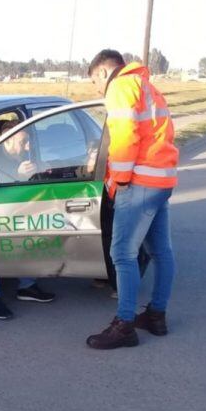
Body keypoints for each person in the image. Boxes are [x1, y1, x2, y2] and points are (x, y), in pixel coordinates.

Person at [84, 49, 178, 350]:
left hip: (139, 183)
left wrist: (119, 181)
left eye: (95, 83)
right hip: (161, 179)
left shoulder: (121, 87)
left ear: (102, 72)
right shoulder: (146, 85)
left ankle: (125, 325)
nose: (97, 90)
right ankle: (156, 315)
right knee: (161, 251)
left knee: (123, 254)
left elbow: (124, 137)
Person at [0, 120, 55, 319]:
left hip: (21, 209)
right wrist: (18, 174)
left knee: (31, 235)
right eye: (23, 141)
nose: (28, 146)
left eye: (28, 141)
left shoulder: (25, 155)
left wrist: (43, 169)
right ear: (7, 139)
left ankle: (27, 286)